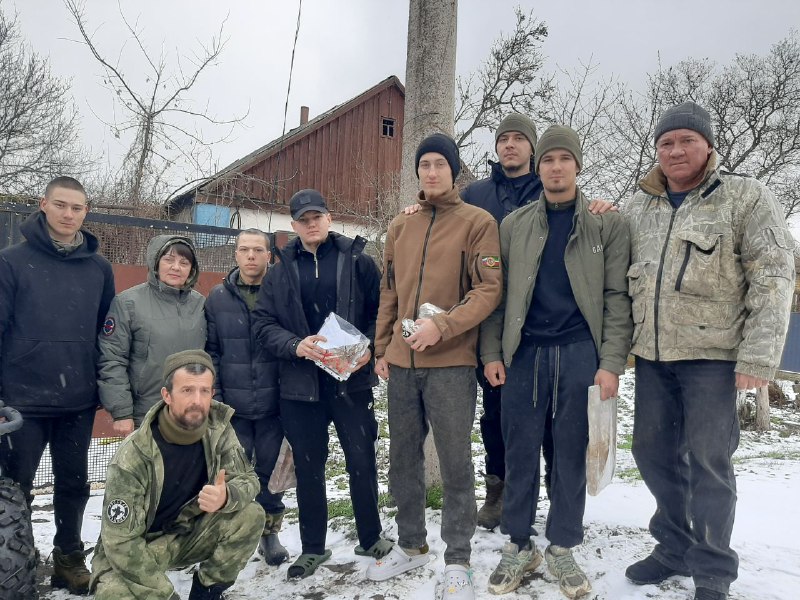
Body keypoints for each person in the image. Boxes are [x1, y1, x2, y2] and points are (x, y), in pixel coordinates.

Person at [623, 101, 794, 600]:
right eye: (666, 142)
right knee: (652, 453)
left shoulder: (745, 197)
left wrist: (758, 358)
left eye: (687, 140)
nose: (675, 150)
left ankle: (713, 568)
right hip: (653, 356)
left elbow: (774, 276)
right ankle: (673, 547)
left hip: (713, 359)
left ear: (708, 145)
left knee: (709, 462)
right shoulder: (640, 206)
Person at [480, 125, 632, 598]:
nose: (556, 167)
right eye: (548, 159)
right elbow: (498, 296)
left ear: (577, 166)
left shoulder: (607, 224)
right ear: (539, 167)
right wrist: (491, 352)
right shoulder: (514, 225)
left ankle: (563, 546)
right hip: (524, 353)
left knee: (570, 452)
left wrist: (611, 362)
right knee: (519, 450)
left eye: (565, 159)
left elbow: (617, 297)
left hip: (580, 353)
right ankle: (519, 543)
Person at [367, 133, 502, 600]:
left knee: (455, 461)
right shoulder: (400, 226)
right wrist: (382, 347)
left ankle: (458, 559)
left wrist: (441, 327)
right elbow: (389, 291)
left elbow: (489, 290)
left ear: (454, 170)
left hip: (451, 364)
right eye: (424, 164)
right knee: (403, 457)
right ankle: (411, 544)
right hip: (402, 364)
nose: (431, 171)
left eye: (439, 164)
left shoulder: (477, 222)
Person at [252, 189, 388, 579]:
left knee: (361, 461)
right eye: (303, 220)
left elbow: (382, 310)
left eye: (317, 217)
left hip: (351, 383)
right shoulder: (280, 271)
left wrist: (370, 346)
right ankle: (312, 548)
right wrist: (295, 345)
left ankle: (371, 536)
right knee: (310, 469)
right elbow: (263, 324)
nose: (311, 224)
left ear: (329, 218)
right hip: (301, 387)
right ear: (294, 226)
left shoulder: (357, 260)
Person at [0, 176, 116, 594]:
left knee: (74, 485)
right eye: (61, 205)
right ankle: (18, 559)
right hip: (21, 403)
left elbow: (106, 333)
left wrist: (100, 385)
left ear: (86, 212)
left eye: (77, 208)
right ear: (43, 204)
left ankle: (68, 558)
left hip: (76, 400)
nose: (69, 214)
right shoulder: (11, 262)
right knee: (17, 491)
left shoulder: (99, 268)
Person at [90, 349, 265, 600]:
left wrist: (227, 496)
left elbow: (248, 479)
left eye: (204, 391)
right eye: (187, 390)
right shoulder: (134, 454)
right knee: (113, 593)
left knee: (250, 515)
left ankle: (206, 594)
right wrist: (166, 596)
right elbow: (120, 543)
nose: (197, 400)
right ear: (167, 395)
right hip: (142, 546)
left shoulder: (218, 430)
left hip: (189, 534)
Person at [204, 228, 288, 565]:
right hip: (233, 407)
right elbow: (212, 351)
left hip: (274, 404)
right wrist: (219, 397)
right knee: (231, 472)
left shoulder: (282, 291)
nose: (251, 256)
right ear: (235, 254)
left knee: (271, 472)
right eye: (244, 249)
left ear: (269, 255)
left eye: (258, 250)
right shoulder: (217, 297)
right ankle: (231, 534)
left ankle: (269, 532)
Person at [98, 234, 207, 432]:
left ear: (192, 269)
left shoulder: (200, 305)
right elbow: (112, 359)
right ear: (155, 262)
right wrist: (122, 412)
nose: (176, 267)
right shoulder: (128, 303)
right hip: (145, 415)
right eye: (169, 260)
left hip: (191, 413)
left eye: (184, 262)